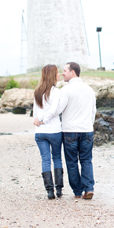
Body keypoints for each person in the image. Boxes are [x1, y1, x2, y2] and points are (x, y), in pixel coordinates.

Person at [37, 62, 97, 199]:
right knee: (86, 160)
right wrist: (89, 126)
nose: (62, 73)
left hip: (70, 131)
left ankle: (77, 191)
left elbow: (57, 110)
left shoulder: (66, 90)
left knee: (72, 162)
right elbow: (93, 111)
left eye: (65, 71)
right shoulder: (90, 90)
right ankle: (89, 188)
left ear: (73, 72)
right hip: (87, 130)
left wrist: (42, 119)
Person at [31, 64, 64, 199]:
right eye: (57, 73)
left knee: (45, 159)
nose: (59, 75)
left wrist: (39, 121)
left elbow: (35, 113)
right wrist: (44, 120)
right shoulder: (56, 91)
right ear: (52, 75)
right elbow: (52, 111)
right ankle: (59, 189)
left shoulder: (37, 91)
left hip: (40, 132)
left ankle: (49, 191)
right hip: (54, 131)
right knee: (56, 158)